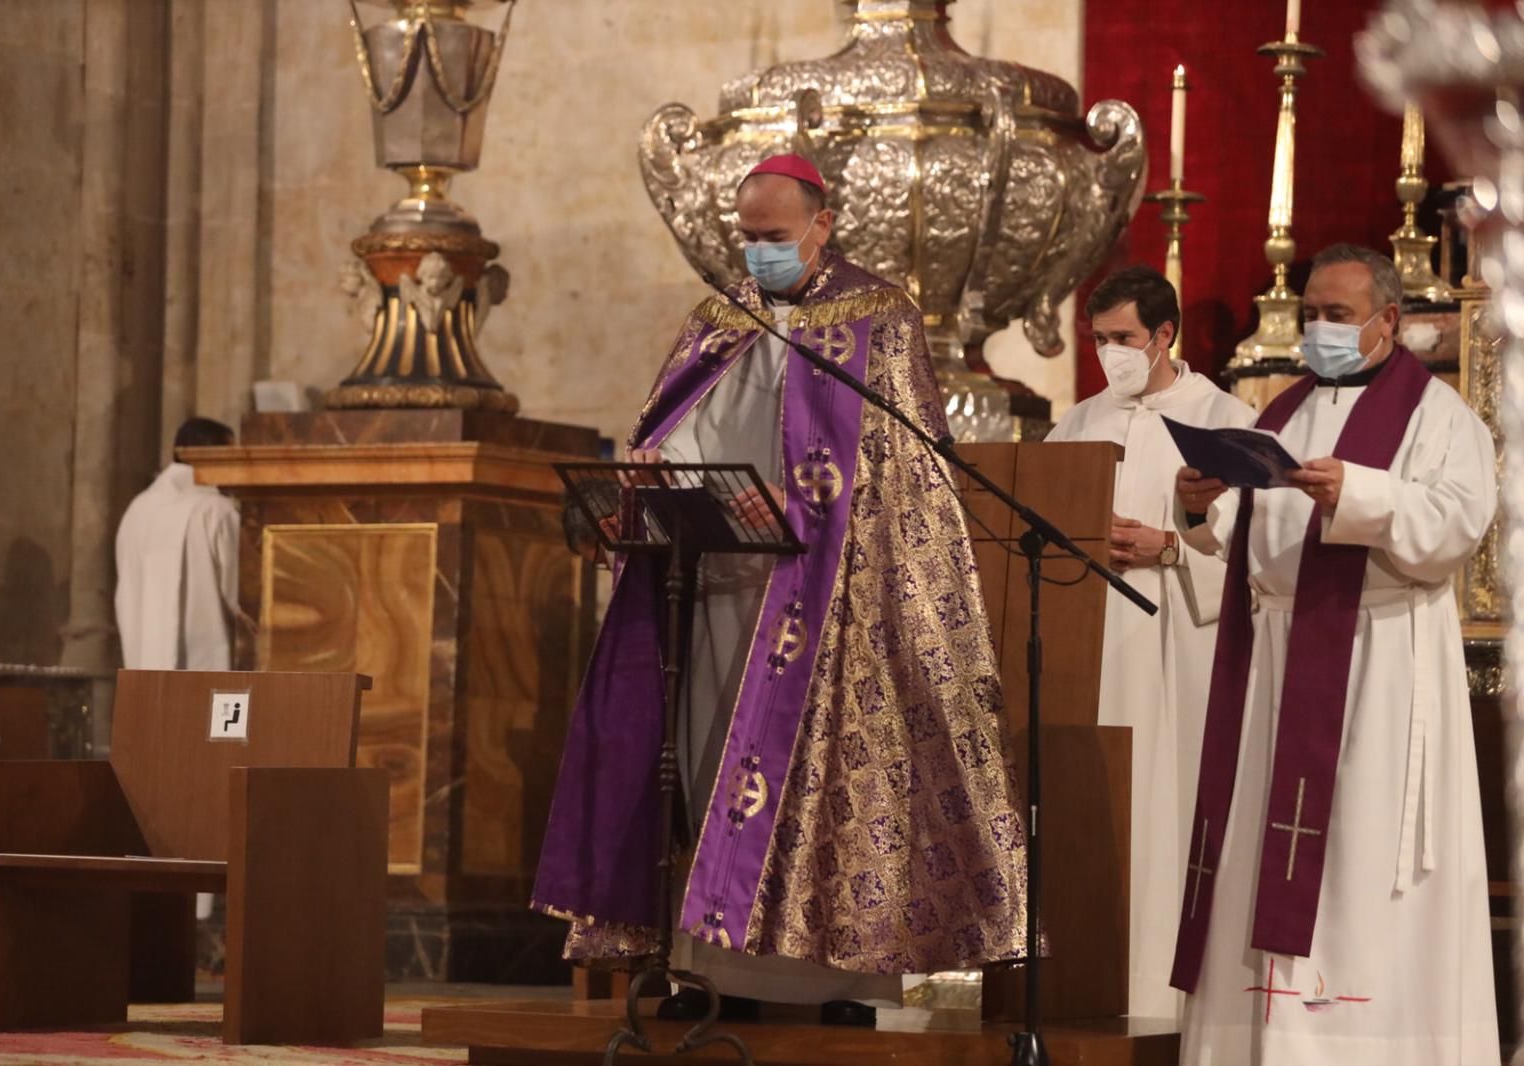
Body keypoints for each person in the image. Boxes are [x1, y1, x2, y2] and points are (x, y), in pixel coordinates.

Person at [532, 154, 1029, 1024]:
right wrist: (655, 487)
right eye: (747, 238)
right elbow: (674, 430)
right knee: (708, 764)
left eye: (773, 237)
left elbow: (906, 472)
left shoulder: (880, 317)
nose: (757, 254)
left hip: (834, 595)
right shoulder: (719, 318)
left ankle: (842, 981)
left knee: (830, 780)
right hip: (722, 581)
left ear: (821, 225)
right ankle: (712, 973)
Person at [1169, 244, 1499, 1064]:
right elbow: (1241, 541)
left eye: (1338, 316)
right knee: (1261, 856)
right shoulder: (1280, 412)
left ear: (1388, 322)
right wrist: (1196, 506)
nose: (1318, 329)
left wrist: (1361, 493)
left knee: (1357, 878)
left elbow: (1458, 524)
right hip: (1275, 662)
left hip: (1379, 666)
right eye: (1312, 313)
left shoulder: (1439, 417)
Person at [1046, 265, 1255, 1020]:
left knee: (1173, 808)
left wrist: (1171, 545)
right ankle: (1090, 980)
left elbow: (1263, 554)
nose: (1111, 354)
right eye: (1099, 340)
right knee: (1095, 811)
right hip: (1091, 649)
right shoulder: (1075, 424)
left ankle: (1175, 999)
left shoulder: (1224, 419)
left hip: (1181, 650)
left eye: (1124, 339)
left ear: (1164, 335)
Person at [114, 418, 241, 671]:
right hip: (205, 668)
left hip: (142, 664)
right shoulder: (217, 511)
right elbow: (241, 597)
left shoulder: (137, 509)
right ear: (214, 457)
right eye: (231, 456)